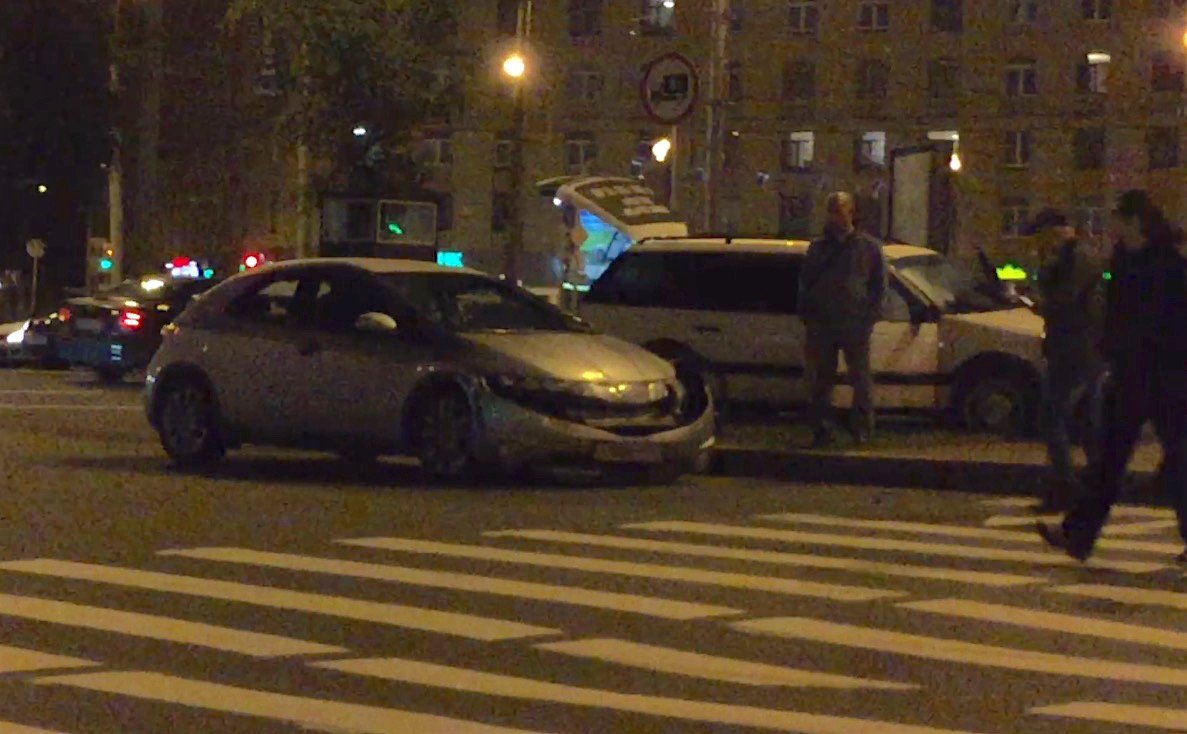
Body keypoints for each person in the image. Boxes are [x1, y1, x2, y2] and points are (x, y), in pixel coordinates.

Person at [1038, 189, 1187, 563]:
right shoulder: (1123, 259)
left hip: (1165, 376)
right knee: (1108, 460)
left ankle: (1079, 534)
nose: (1112, 225)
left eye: (1118, 218)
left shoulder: (1169, 263)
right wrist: (1111, 351)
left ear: (1134, 221)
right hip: (1129, 374)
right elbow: (1115, 312)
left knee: (1178, 459)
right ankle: (1078, 535)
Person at [1030, 208, 1107, 511]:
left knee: (1051, 418)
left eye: (1041, 234)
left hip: (1074, 351)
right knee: (1088, 422)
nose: (1040, 241)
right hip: (1084, 350)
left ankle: (1066, 487)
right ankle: (1097, 484)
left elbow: (1062, 300)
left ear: (1056, 230)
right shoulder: (1076, 255)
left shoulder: (1076, 258)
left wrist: (1038, 302)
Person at [798, 191, 887, 447]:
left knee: (860, 378)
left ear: (851, 212)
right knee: (821, 380)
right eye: (833, 211)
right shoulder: (818, 248)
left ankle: (862, 429)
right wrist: (807, 315)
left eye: (841, 210)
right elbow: (805, 283)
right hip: (822, 323)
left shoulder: (868, 247)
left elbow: (879, 286)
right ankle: (822, 429)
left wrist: (869, 318)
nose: (837, 216)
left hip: (854, 323)